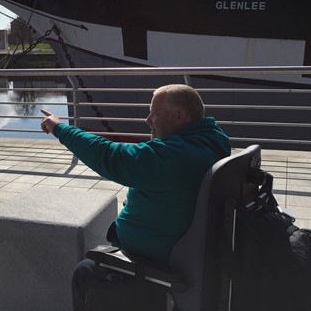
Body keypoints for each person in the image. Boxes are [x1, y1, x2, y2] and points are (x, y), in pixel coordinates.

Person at [40, 84, 231, 310]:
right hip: (186, 250)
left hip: (157, 264)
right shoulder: (211, 141)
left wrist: (59, 127)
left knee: (86, 271)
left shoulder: (172, 157)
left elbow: (109, 155)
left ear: (179, 116)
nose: (148, 120)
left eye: (155, 113)